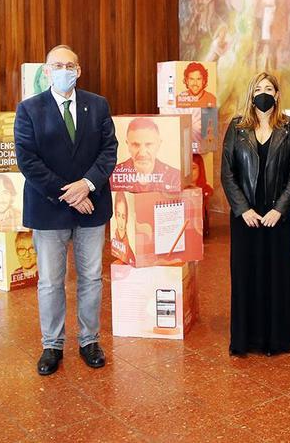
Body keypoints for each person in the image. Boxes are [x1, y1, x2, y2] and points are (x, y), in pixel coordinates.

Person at [14, 44, 118, 376]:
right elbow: (28, 161)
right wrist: (70, 193)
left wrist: (86, 185)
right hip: (49, 207)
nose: (64, 70)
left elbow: (108, 151)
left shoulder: (98, 105)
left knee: (91, 277)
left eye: (70, 65)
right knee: (49, 281)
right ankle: (52, 345)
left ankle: (89, 341)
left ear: (79, 70)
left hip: (92, 204)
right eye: (57, 65)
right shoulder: (29, 109)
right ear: (46, 71)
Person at [222, 71, 290, 356]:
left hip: (277, 218)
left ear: (277, 95)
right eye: (258, 88)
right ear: (251, 94)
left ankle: (277, 340)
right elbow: (227, 173)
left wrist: (279, 209)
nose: (264, 93)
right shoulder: (236, 127)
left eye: (269, 88)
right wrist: (242, 208)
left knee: (277, 276)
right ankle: (248, 339)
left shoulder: (289, 127)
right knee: (247, 275)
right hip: (246, 218)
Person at [111, 117, 182, 192]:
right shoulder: (112, 177)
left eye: (149, 144)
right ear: (128, 145)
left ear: (158, 145)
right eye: (135, 145)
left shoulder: (175, 177)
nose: (142, 153)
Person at [191, 153, 214, 236]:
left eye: (193, 168)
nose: (189, 172)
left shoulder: (205, 189)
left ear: (200, 169)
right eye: (186, 168)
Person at [110, 192, 135, 265]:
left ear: (126, 218)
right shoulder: (113, 242)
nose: (120, 221)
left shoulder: (131, 252)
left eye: (123, 217)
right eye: (118, 215)